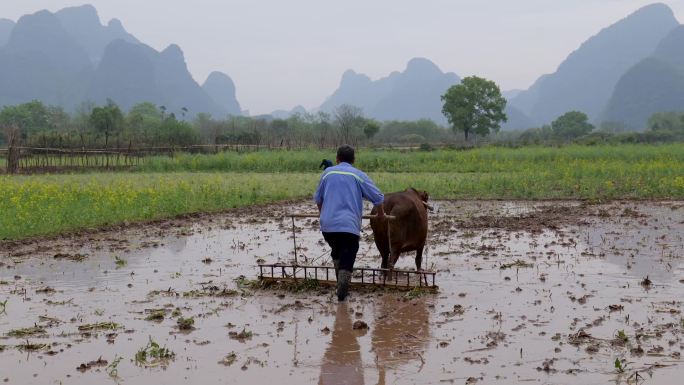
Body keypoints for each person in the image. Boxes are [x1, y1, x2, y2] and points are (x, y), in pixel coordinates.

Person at [314, 145, 385, 301]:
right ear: (353, 160)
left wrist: (324, 215)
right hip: (348, 226)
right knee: (349, 250)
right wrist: (381, 214)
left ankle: (340, 282)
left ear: (337, 159)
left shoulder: (327, 173)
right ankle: (342, 292)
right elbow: (378, 197)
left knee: (337, 249)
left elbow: (318, 199)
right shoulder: (358, 175)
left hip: (328, 226)